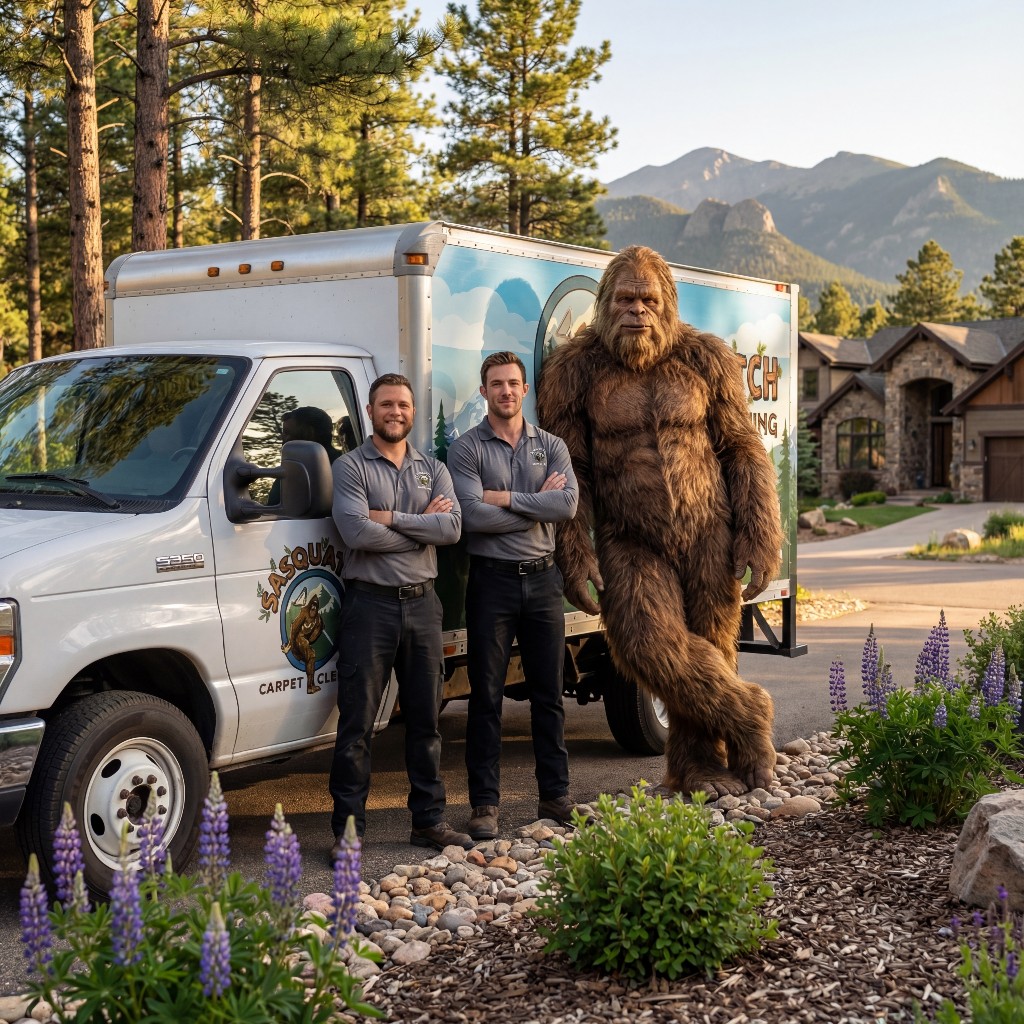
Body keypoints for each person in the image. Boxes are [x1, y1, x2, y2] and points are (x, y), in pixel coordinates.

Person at [536, 246, 783, 800]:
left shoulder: (707, 359)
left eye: (649, 300)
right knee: (650, 646)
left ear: (668, 304)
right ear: (604, 304)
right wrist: (576, 555)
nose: (637, 311)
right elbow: (569, 472)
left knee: (712, 652)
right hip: (629, 539)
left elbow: (743, 449)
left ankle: (696, 768)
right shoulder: (574, 372)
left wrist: (760, 534)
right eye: (625, 299)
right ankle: (749, 712)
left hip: (709, 532)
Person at [329, 373, 474, 857]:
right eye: (387, 404)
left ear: (413, 412)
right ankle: (348, 835)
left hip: (422, 606)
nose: (396, 412)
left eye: (404, 405)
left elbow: (452, 527)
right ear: (371, 412)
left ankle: (428, 822)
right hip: (369, 606)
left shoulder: (432, 468)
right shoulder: (350, 467)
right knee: (357, 725)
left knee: (425, 722)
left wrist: (389, 517)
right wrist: (420, 527)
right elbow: (355, 532)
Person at [448, 351, 588, 841]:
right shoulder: (466, 450)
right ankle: (484, 805)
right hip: (492, 583)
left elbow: (567, 504)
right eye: (496, 384)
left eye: (513, 383)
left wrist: (502, 498)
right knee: (485, 698)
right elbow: (470, 516)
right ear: (483, 391)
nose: (505, 391)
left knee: (548, 695)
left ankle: (555, 796)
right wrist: (536, 507)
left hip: (544, 581)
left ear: (524, 390)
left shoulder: (551, 445)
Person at [267, 406, 344, 505]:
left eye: (287, 433)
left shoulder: (342, 470)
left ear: (309, 434)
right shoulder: (291, 468)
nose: (282, 438)